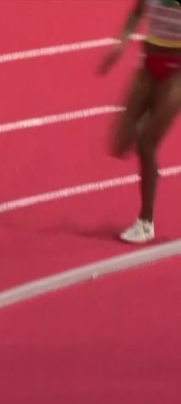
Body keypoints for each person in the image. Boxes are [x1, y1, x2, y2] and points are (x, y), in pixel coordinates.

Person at [99, 0, 181, 244]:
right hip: (149, 65)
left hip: (177, 71)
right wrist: (121, 43)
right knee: (119, 143)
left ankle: (146, 222)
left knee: (145, 144)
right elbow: (136, 13)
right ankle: (151, 155)